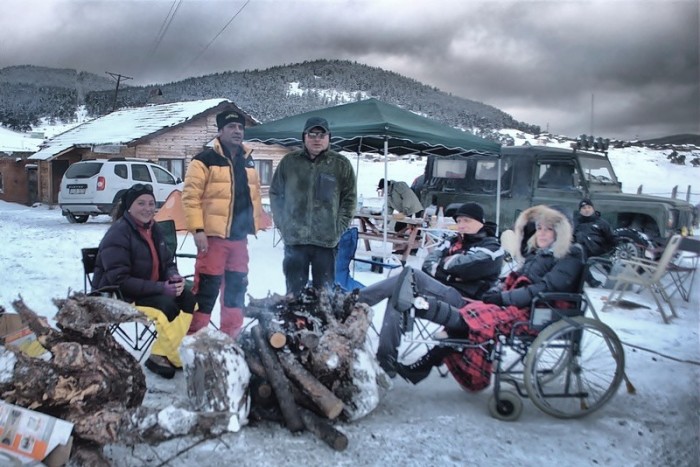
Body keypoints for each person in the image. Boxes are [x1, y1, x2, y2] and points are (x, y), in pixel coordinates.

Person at [385, 204, 584, 388]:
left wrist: (504, 298)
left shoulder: (570, 255)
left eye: (548, 229)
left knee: (471, 319)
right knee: (471, 314)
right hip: (523, 305)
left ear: (561, 232)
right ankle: (426, 358)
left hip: (540, 312)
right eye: (539, 228)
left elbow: (541, 289)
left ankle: (426, 357)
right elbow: (513, 279)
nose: (541, 233)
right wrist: (496, 292)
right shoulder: (541, 253)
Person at [358, 202, 504, 376]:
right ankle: (386, 360)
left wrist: (445, 268)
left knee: (412, 275)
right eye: (459, 221)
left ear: (481, 222)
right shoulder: (453, 241)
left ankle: (355, 300)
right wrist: (449, 271)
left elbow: (465, 267)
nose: (462, 225)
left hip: (466, 304)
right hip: (442, 293)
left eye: (467, 221)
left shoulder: (492, 247)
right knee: (399, 295)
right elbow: (428, 263)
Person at [92, 183, 196, 379]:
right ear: (129, 207)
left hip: (149, 289)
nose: (148, 208)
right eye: (141, 203)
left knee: (189, 299)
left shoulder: (154, 228)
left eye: (151, 203)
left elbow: (167, 262)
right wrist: (160, 288)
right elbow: (120, 280)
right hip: (119, 295)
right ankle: (177, 357)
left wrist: (173, 276)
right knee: (167, 308)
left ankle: (161, 353)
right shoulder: (118, 234)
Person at [181, 109, 265, 338]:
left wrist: (256, 222)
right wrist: (198, 229)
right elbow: (190, 197)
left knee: (236, 290)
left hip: (239, 239)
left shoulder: (248, 161)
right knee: (206, 290)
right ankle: (195, 339)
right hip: (213, 239)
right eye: (231, 127)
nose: (237, 131)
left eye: (240, 127)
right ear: (220, 131)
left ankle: (231, 338)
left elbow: (254, 196)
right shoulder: (204, 160)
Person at [269, 116, 357, 296]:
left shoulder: (341, 165)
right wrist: (283, 223)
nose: (317, 139)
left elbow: (349, 199)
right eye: (312, 134)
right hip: (295, 240)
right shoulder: (289, 162)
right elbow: (276, 193)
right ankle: (295, 314)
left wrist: (338, 228)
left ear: (329, 137)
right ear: (304, 137)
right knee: (294, 294)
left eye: (321, 135)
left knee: (324, 295)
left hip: (326, 242)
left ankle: (321, 315)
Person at [574, 199, 616, 287]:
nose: (587, 210)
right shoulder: (575, 222)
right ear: (580, 211)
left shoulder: (601, 222)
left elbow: (611, 237)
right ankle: (591, 281)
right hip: (581, 250)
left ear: (593, 209)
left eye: (589, 207)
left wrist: (611, 249)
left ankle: (615, 280)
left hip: (599, 249)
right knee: (578, 258)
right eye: (584, 208)